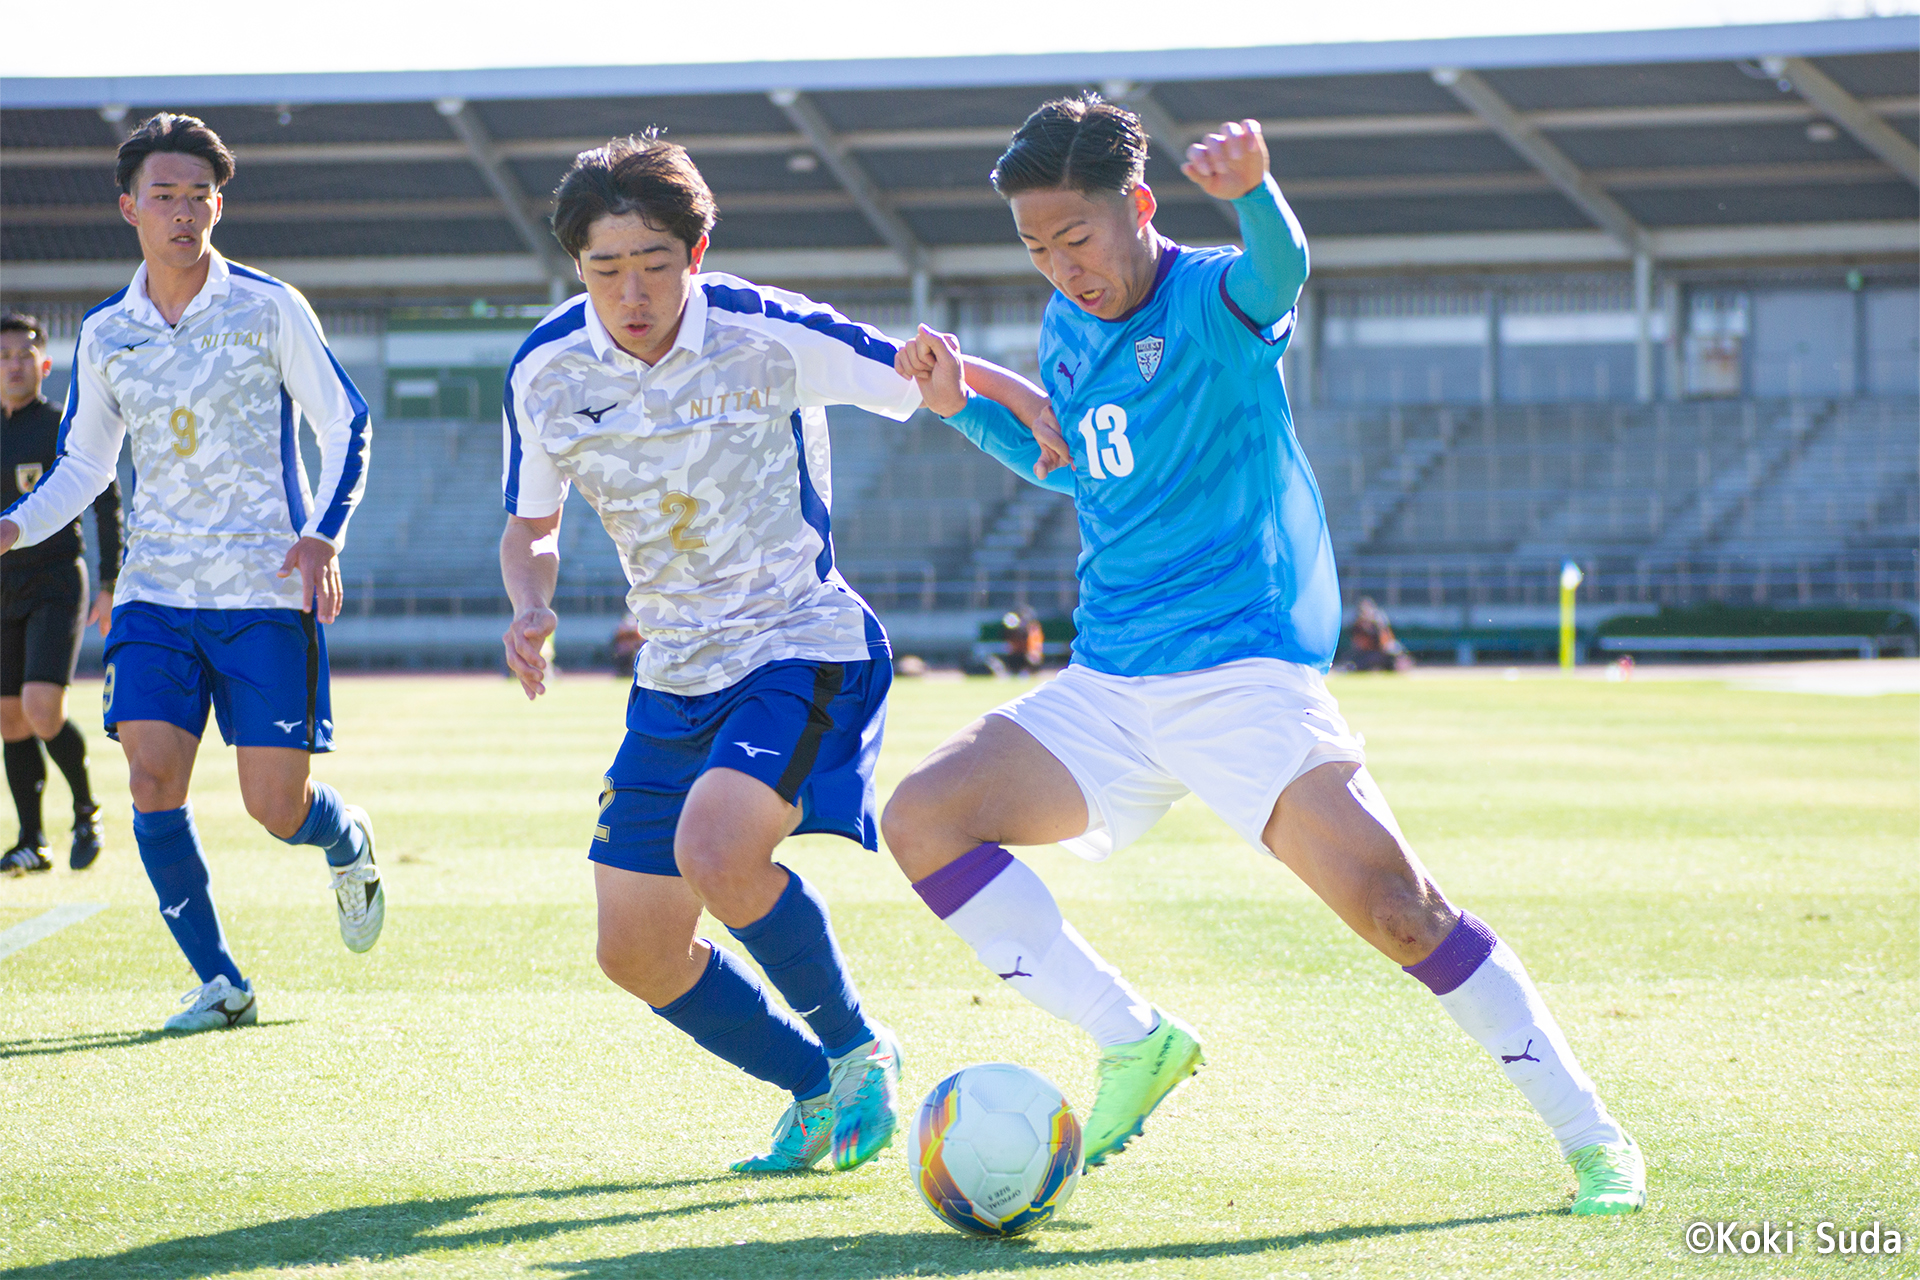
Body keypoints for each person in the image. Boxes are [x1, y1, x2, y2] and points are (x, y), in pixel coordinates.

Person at [881, 96, 1645, 1214]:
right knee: (921, 818)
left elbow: (1278, 275)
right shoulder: (1064, 325)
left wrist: (1253, 192)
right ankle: (1132, 1039)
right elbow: (1081, 468)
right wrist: (963, 408)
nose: (1060, 267)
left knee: (1400, 908)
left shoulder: (1209, 293)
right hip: (1109, 682)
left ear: (1139, 206)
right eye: (1035, 248)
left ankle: (1594, 1138)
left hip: (1242, 669)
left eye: (1076, 238)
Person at [499, 133, 1051, 1176]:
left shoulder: (763, 328)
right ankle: (813, 1085)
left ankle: (857, 1049)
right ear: (576, 266)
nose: (632, 290)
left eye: (655, 263)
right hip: (673, 671)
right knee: (637, 950)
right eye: (606, 268)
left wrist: (1015, 397)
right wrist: (531, 601)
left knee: (719, 849)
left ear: (696, 251)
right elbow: (531, 523)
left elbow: (914, 364)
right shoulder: (543, 370)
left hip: (801, 641)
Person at [0, 113, 381, 1033]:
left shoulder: (270, 307)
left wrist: (324, 534)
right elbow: (87, 467)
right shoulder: (105, 332)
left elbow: (348, 425)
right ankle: (221, 983)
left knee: (274, 806)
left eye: (197, 194)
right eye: (163, 196)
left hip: (262, 594)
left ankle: (345, 837)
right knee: (152, 780)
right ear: (128, 207)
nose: (182, 212)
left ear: (220, 202)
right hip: (156, 595)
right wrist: (13, 526)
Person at [2, 312, 122, 873]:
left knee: (41, 709)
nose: (14, 365)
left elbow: (105, 499)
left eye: (24, 355)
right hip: (2, 588)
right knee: (8, 718)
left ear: (45, 364)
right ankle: (31, 839)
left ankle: (85, 809)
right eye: (4, 356)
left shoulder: (62, 427)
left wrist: (108, 583)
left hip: (54, 581)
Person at [1345, 597, 1412, 673]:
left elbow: (1386, 643)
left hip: (1382, 653)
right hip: (1365, 654)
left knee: (1396, 652)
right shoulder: (1357, 627)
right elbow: (1358, 644)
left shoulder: (1378, 624)